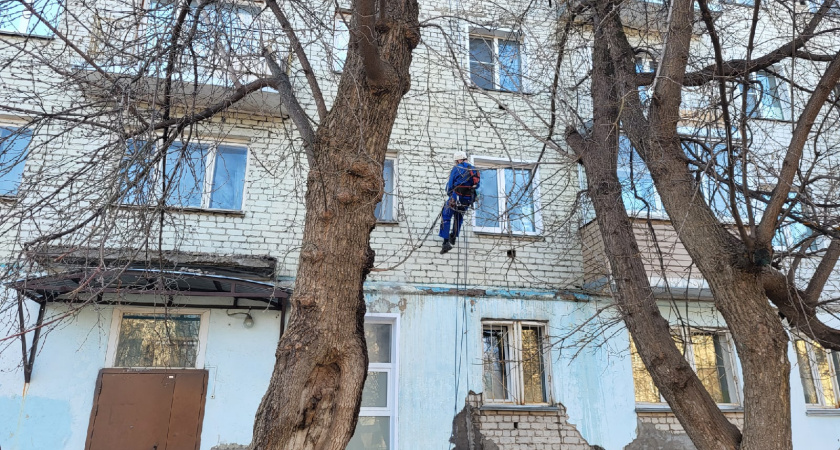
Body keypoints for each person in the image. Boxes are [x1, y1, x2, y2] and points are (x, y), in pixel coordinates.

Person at [439, 151, 480, 254]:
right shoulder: (474, 170)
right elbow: (477, 186)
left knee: (446, 215)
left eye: (456, 161)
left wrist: (450, 194)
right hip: (467, 200)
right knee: (459, 216)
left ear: (459, 160)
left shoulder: (457, 168)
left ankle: (446, 242)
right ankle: (454, 235)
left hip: (456, 197)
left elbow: (450, 185)